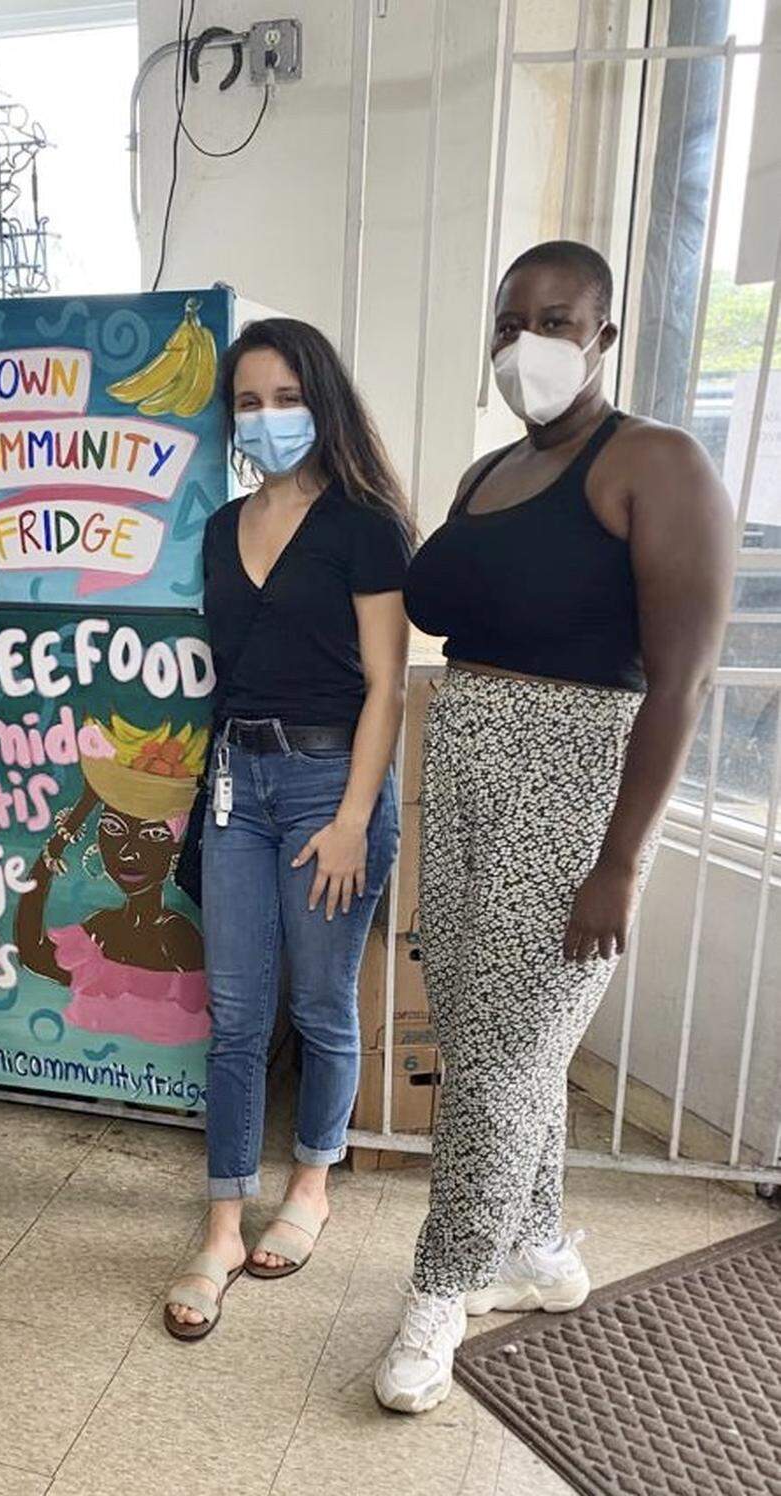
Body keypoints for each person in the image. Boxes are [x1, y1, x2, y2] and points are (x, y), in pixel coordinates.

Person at [376, 241, 735, 1412]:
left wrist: (621, 863)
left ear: (605, 335)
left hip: (571, 800)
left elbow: (679, 684)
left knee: (501, 1064)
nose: (528, 340)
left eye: (556, 319)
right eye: (509, 320)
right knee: (490, 1037)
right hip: (469, 777)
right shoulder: (487, 476)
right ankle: (538, 1249)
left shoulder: (658, 463)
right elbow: (434, 605)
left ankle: (440, 1288)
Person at [164, 319, 413, 1340]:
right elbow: (232, 676)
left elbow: (387, 683)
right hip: (237, 784)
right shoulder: (221, 527)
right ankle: (222, 1222)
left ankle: (310, 1183)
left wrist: (354, 817)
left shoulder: (366, 522)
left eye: (284, 396)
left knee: (318, 1005)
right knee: (233, 1014)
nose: (267, 418)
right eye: (249, 401)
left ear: (323, 400)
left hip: (328, 785)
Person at [14, 713, 210, 1046]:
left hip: (162, 1089)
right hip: (81, 1079)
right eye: (113, 830)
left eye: (151, 835)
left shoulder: (177, 937)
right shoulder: (102, 929)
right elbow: (32, 952)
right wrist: (74, 820)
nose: (129, 853)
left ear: (174, 847)